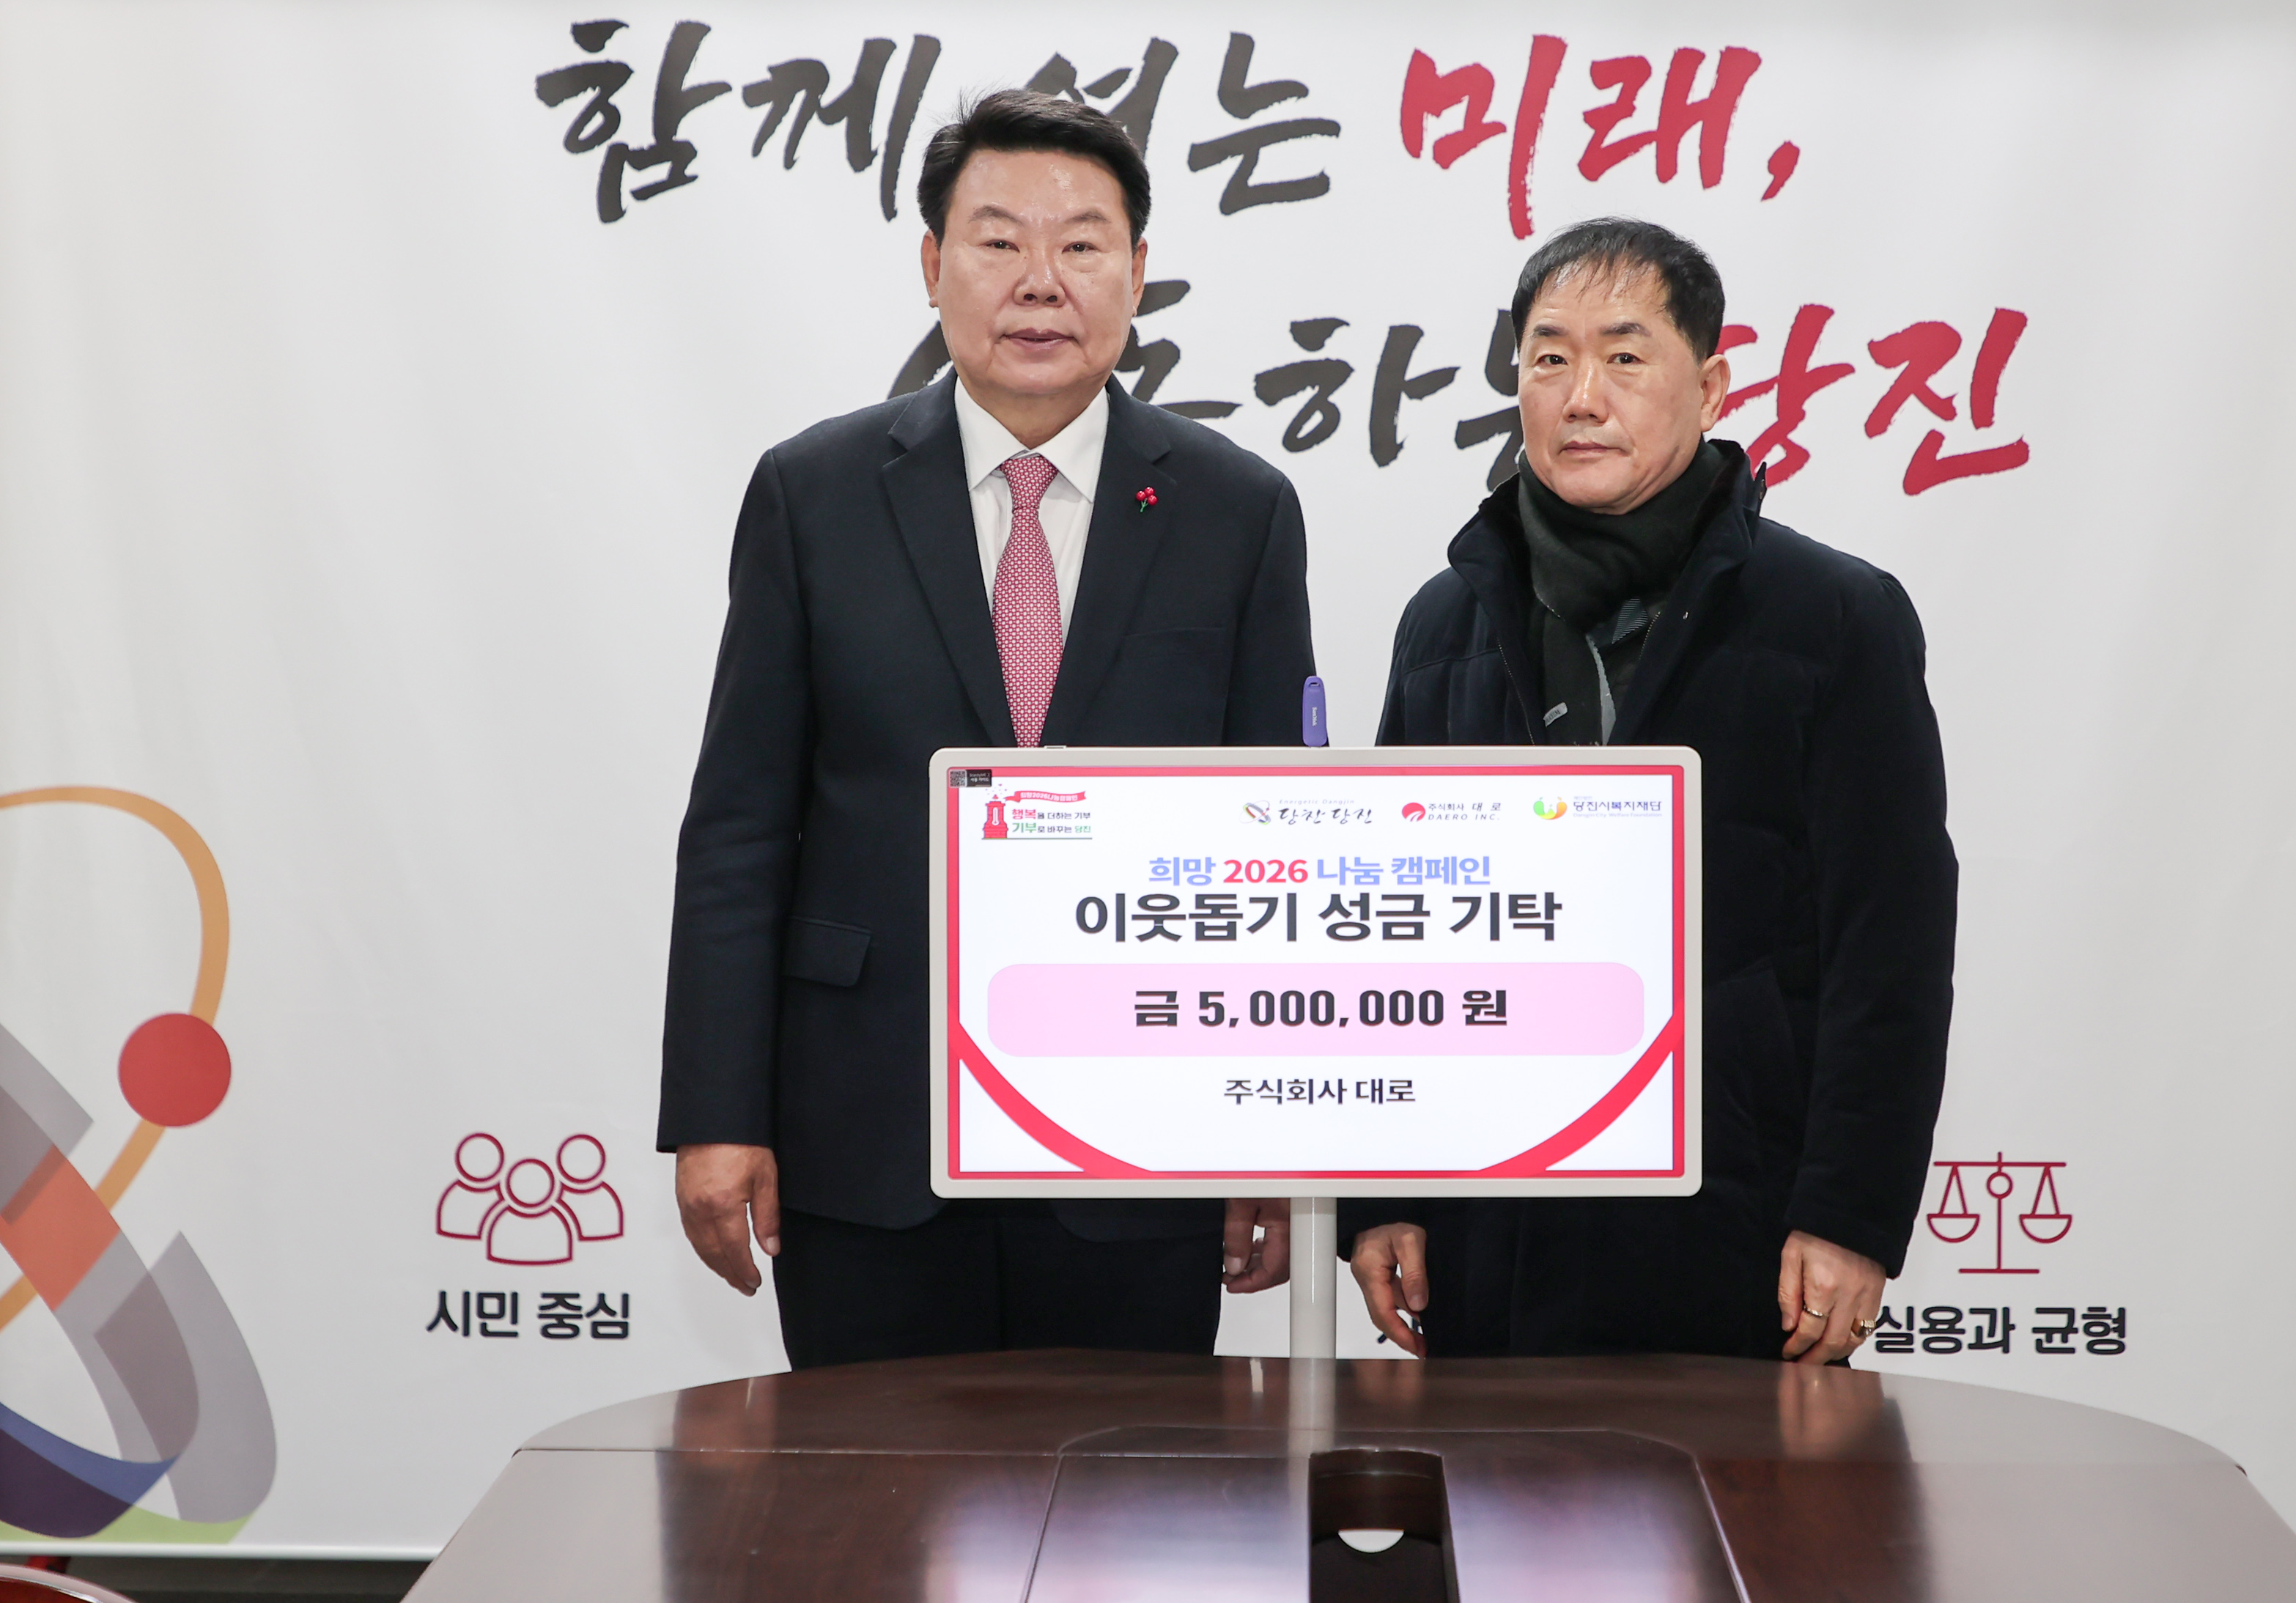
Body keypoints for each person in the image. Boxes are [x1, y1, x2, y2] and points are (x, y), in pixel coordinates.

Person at [660, 89, 1311, 1367]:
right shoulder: (814, 493)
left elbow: (1272, 836)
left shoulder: (1237, 510)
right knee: (869, 1484)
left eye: (1081, 244)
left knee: (1126, 1485)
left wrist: (1268, 1136)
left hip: (1141, 1136)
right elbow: (741, 825)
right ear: (932, 264)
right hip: (868, 1128)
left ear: (1137, 272)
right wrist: (717, 1110)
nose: (1039, 281)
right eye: (999, 240)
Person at [1345, 218, 1954, 1366]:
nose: (1583, 397)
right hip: (1491, 1222)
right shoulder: (1446, 624)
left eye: (1625, 357)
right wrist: (1385, 1194)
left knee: (1730, 1490)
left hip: (1740, 1223)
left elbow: (1891, 946)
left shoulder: (1834, 617)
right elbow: (1389, 930)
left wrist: (1849, 1212)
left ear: (1710, 385)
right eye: (1549, 358)